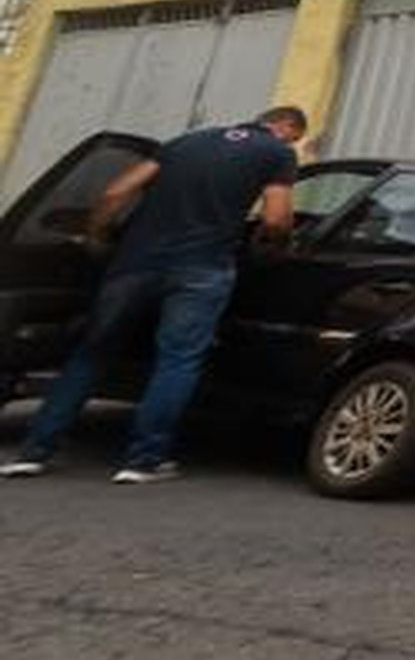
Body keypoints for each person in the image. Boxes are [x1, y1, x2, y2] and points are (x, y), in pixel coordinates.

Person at [1, 105, 307, 484]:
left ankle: (35, 452)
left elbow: (116, 192)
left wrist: (97, 237)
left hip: (135, 263)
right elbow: (277, 217)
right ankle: (144, 460)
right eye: (296, 138)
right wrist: (273, 246)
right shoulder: (277, 153)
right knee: (178, 358)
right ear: (286, 128)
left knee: (91, 353)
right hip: (203, 268)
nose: (294, 144)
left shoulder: (185, 143)